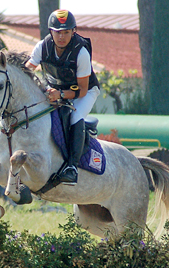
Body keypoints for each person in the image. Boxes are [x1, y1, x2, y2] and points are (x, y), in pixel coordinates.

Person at [26, 9, 100, 185]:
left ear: (73, 31)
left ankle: (72, 168)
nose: (62, 37)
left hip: (85, 92)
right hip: (56, 89)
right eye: (58, 32)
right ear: (51, 31)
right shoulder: (42, 47)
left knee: (75, 116)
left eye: (66, 32)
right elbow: (27, 71)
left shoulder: (81, 53)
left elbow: (81, 90)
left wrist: (60, 94)